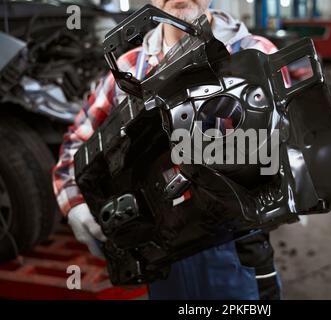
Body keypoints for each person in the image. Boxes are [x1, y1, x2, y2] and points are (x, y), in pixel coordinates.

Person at [52, 0, 284, 300]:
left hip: (238, 247)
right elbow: (77, 142)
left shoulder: (255, 53)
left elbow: (287, 145)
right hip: (164, 252)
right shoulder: (128, 69)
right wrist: (75, 204)